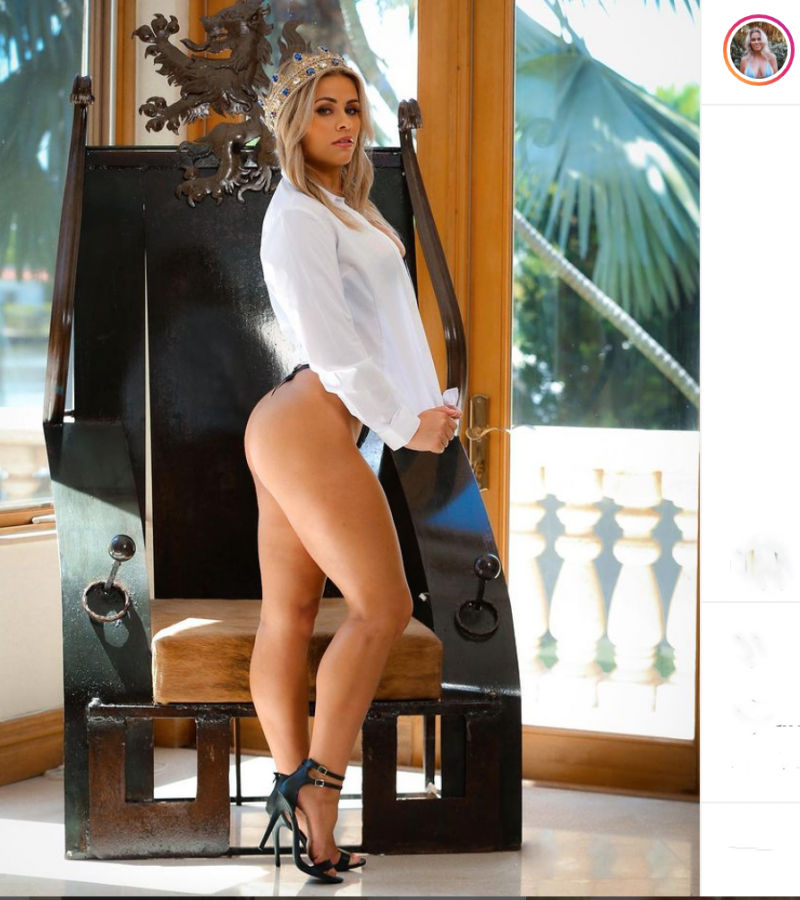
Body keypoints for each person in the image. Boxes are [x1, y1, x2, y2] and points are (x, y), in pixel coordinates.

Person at [243, 46, 463, 884]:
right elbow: (335, 349)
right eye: (325, 109)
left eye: (351, 107)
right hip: (308, 419)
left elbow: (384, 331)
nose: (343, 122)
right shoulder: (300, 213)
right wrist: (407, 423)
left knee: (291, 614)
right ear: (295, 124)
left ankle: (301, 807)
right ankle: (318, 793)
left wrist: (421, 406)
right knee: (384, 606)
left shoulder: (344, 206)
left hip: (306, 423)